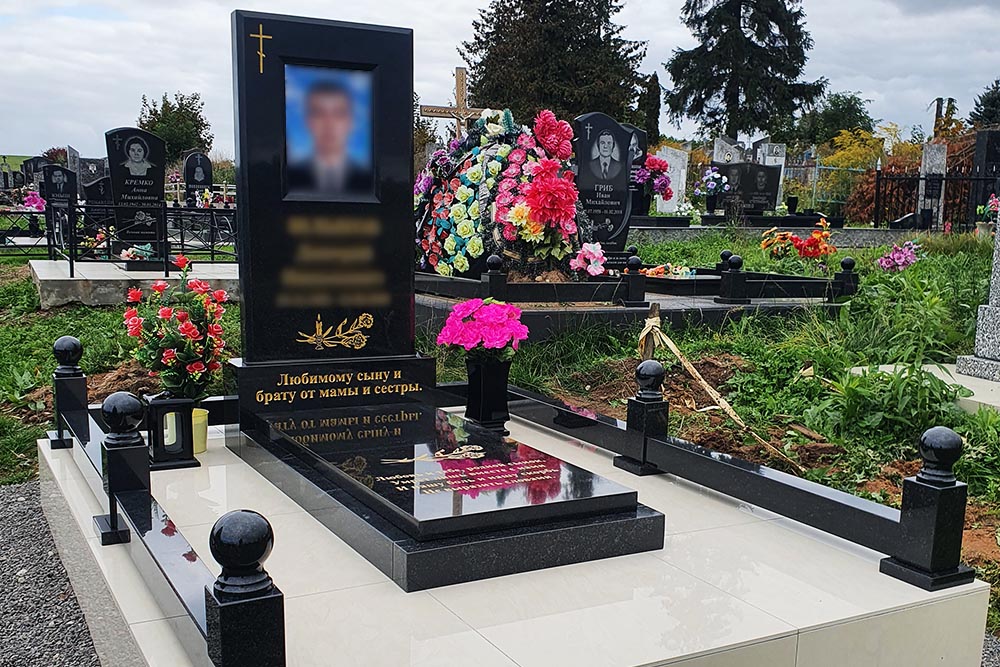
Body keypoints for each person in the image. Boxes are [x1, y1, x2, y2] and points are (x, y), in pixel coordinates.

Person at [287, 80, 373, 194]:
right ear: (307, 121)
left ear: (350, 122)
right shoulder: (290, 176)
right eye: (319, 114)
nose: (329, 124)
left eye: (338, 114)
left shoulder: (368, 179)